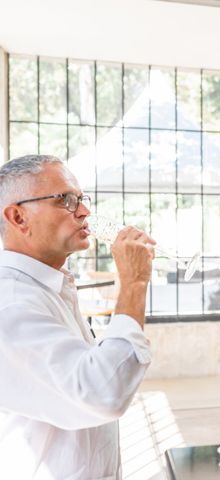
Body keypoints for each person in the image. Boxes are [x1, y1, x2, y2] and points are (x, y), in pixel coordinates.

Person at [0, 155, 155, 479]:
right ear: (18, 217)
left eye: (83, 199)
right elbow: (101, 392)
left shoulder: (52, 287)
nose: (84, 211)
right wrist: (134, 283)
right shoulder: (11, 305)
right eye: (66, 200)